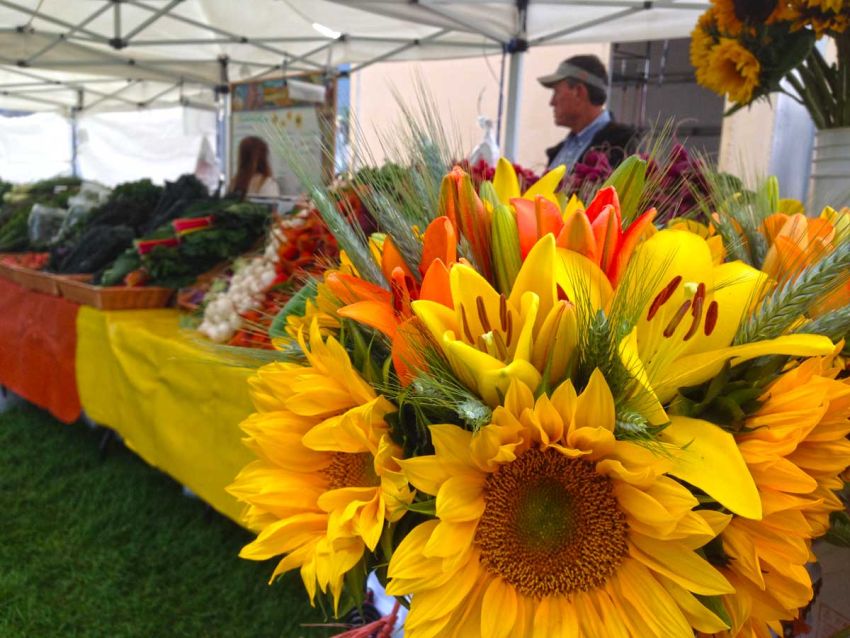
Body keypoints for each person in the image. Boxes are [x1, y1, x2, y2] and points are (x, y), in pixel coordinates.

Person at [538, 55, 640, 172]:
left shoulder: (624, 144)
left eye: (556, 92)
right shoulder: (560, 149)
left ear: (578, 91)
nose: (552, 102)